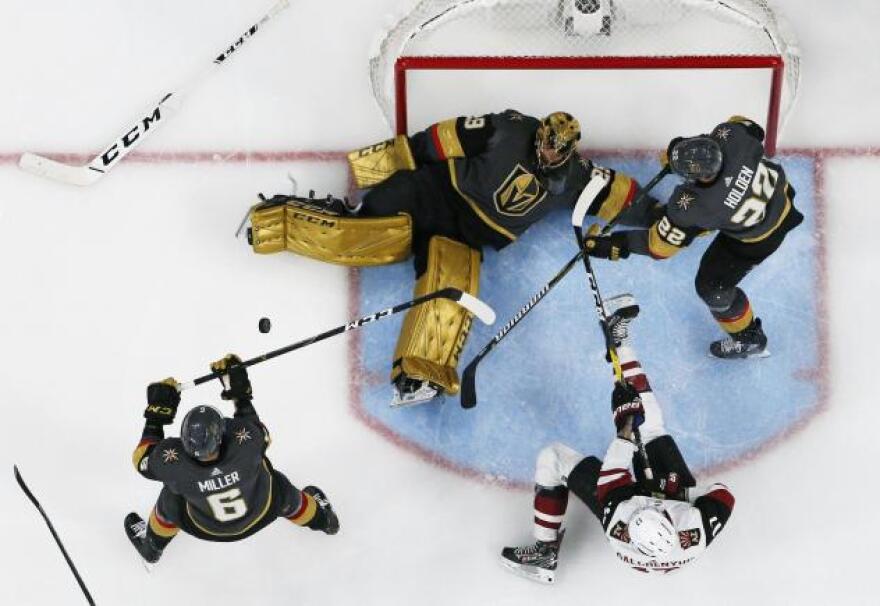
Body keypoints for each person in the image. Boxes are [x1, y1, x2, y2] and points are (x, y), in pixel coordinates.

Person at [247, 110, 656, 406]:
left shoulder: (579, 177)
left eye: (558, 150)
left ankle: (418, 376)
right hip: (431, 192)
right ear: (540, 134)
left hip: (465, 235)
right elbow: (442, 138)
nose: (549, 153)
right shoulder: (510, 128)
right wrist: (372, 166)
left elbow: (621, 195)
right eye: (546, 144)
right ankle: (278, 222)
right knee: (360, 234)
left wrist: (663, 216)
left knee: (451, 289)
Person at [500, 294, 734, 583]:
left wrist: (627, 421)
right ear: (670, 520)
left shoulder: (619, 520)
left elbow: (615, 468)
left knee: (553, 457)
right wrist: (674, 494)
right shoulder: (694, 528)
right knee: (652, 427)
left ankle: (544, 551)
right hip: (672, 500)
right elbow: (723, 493)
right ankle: (620, 342)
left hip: (625, 499)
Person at [582, 116, 803, 358]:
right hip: (782, 197)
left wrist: (615, 244)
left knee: (712, 288)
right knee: (696, 222)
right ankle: (683, 224)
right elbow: (753, 129)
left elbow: (659, 248)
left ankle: (749, 339)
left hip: (760, 238)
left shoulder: (696, 207)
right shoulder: (732, 134)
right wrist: (683, 152)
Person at [126, 355, 338, 565]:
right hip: (262, 512)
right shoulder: (247, 446)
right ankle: (325, 521)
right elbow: (261, 434)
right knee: (281, 489)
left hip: (206, 528)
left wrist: (156, 417)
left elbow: (141, 459)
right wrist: (239, 393)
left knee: (169, 501)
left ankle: (152, 546)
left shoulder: (172, 464)